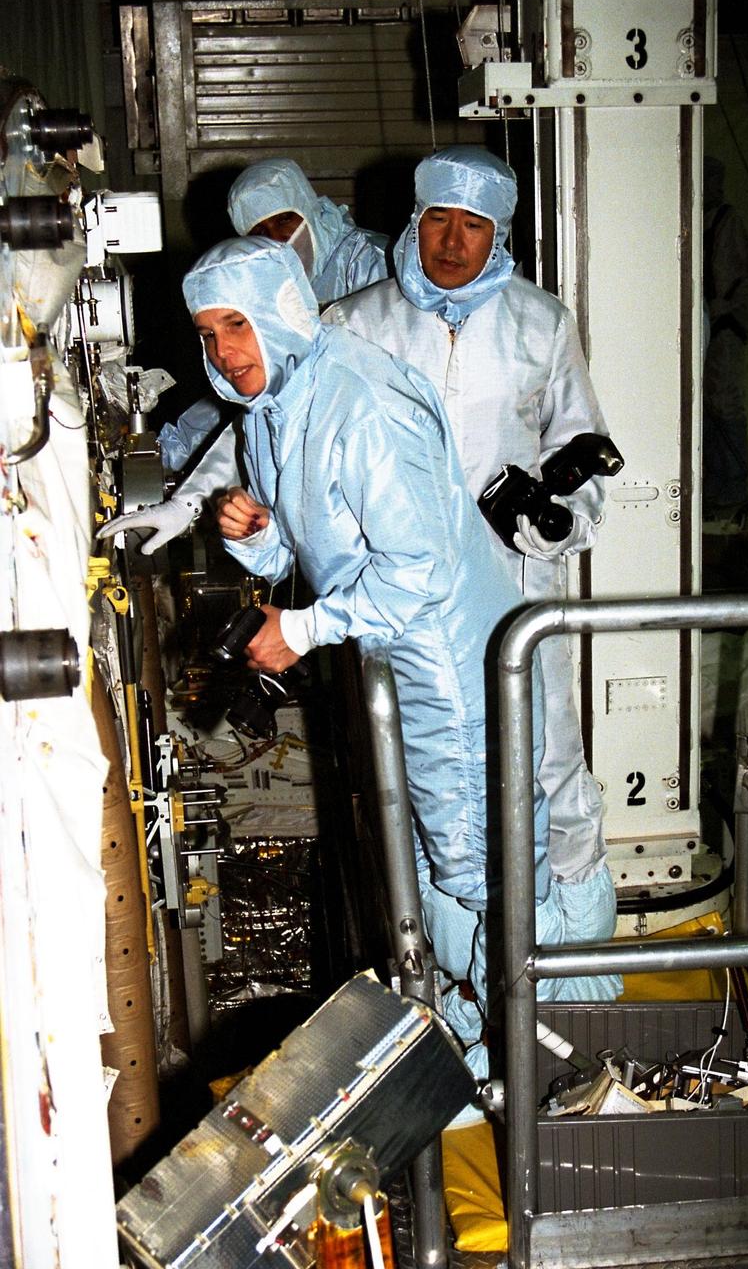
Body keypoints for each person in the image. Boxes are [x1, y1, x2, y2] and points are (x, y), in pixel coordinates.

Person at [180, 237, 617, 1073]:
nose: (224, 353)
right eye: (207, 334)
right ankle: (506, 1005)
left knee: (480, 865)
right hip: (396, 660)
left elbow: (419, 569)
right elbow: (318, 552)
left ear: (280, 312)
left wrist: (300, 631)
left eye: (236, 324)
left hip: (448, 665)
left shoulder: (359, 401)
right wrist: (257, 536)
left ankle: (536, 1050)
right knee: (433, 860)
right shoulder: (275, 406)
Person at [322, 146, 620, 983]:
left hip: (518, 591)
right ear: (416, 222)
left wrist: (551, 523)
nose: (452, 243)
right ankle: (452, 977)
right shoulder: (354, 326)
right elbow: (316, 453)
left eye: (473, 226)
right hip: (403, 599)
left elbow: (579, 444)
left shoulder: (541, 323)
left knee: (549, 760)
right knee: (421, 781)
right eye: (439, 221)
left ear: (500, 234)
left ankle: (575, 974)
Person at [108, 159, 391, 554]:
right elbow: (251, 397)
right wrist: (174, 461)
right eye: (259, 233)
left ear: (309, 212)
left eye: (284, 224)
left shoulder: (375, 269)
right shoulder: (265, 285)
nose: (277, 241)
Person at [702, 156, 748, 516]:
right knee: (706, 406)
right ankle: (715, 484)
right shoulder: (699, 220)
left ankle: (732, 486)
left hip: (723, 324)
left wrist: (727, 304)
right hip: (704, 322)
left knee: (725, 403)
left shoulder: (730, 221)